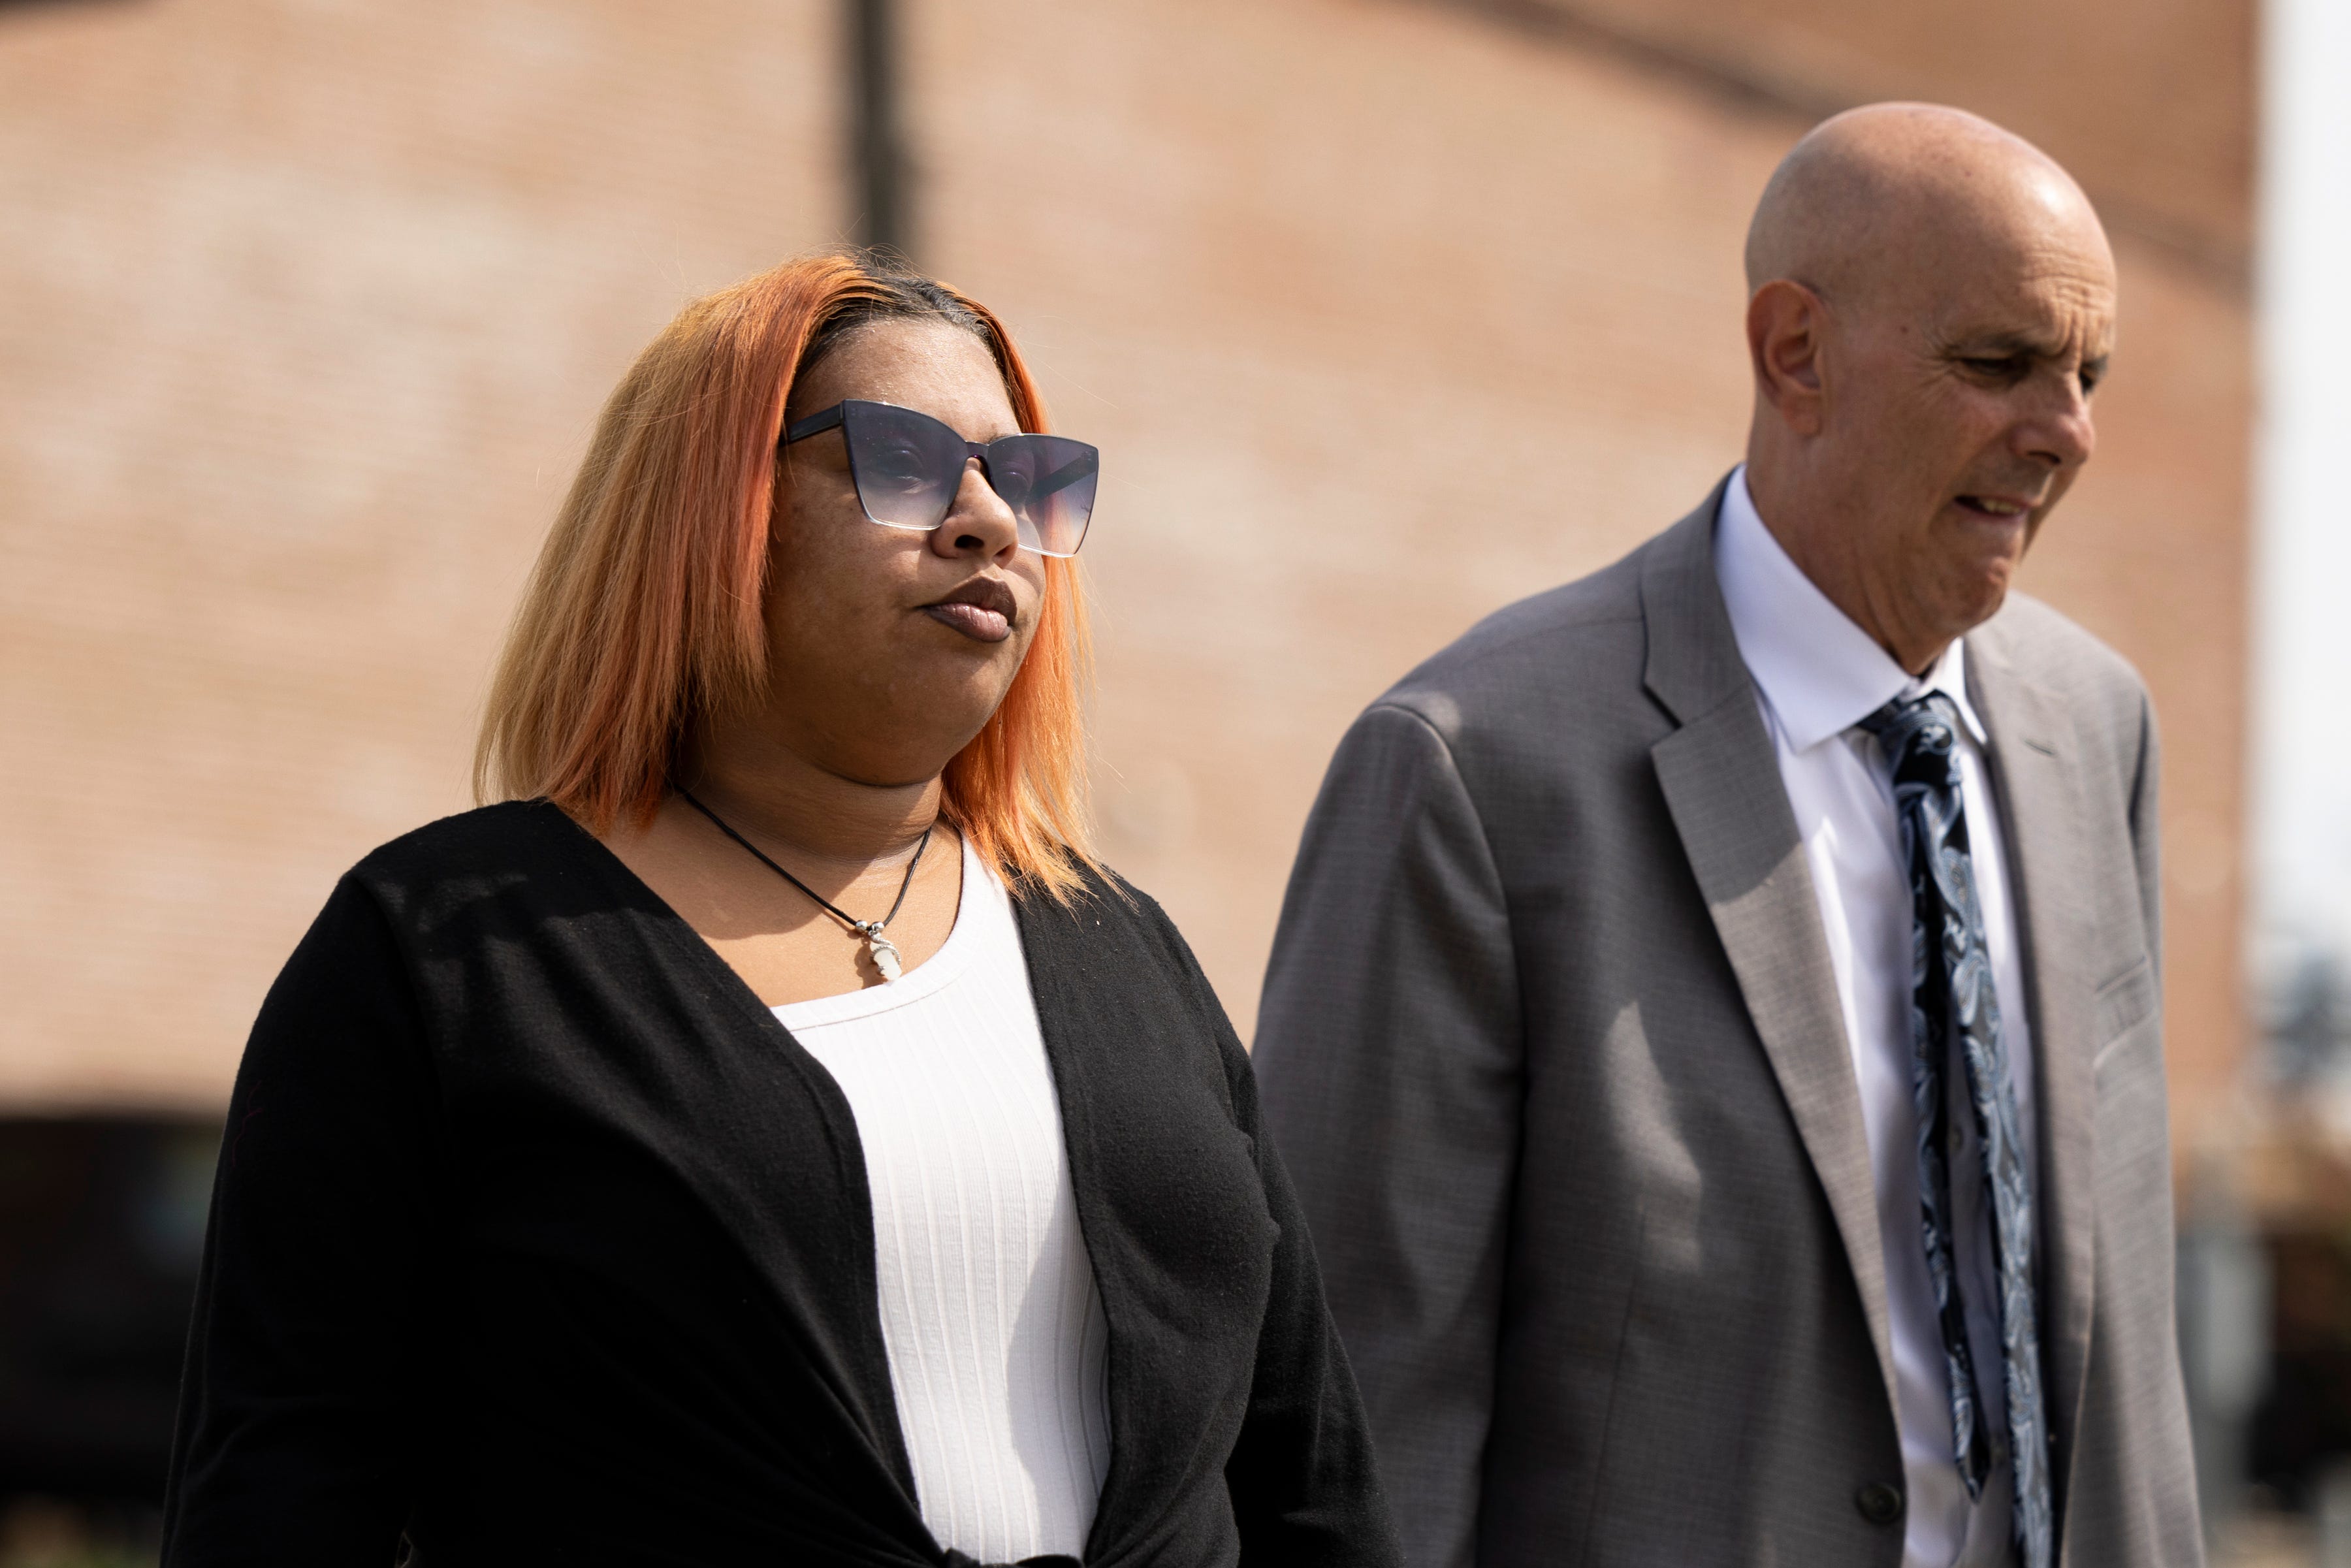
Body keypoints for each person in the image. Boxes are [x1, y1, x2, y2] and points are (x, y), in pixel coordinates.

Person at [163, 252, 1399, 1568]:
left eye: (1028, 479)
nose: (988, 520)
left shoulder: (1126, 948)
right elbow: (283, 1491)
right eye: (906, 459)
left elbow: (1309, 1472)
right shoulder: (445, 952)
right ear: (713, 505)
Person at [1253, 104, 2198, 1568]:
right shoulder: (1471, 769)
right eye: (1998, 364)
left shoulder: (2097, 729)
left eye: (2087, 374)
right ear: (1795, 353)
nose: (2065, 432)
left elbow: (2124, 1347)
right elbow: (1363, 1418)